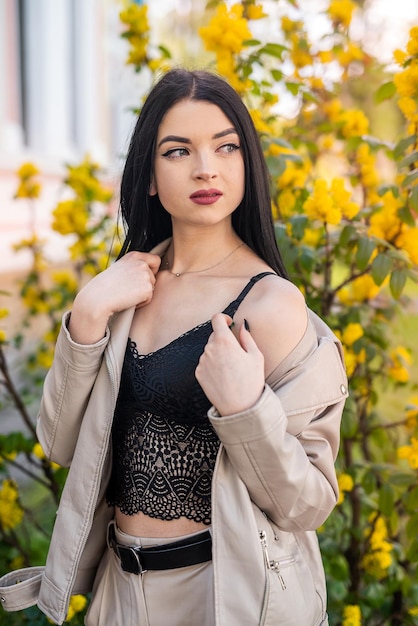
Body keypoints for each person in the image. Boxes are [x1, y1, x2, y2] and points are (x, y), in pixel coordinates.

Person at [0, 68, 348, 626]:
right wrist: (87, 316)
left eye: (225, 146)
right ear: (149, 178)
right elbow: (62, 443)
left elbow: (306, 503)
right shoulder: (125, 290)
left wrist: (246, 410)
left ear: (245, 165)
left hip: (223, 596)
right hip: (119, 593)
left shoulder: (271, 305)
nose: (205, 167)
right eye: (178, 150)